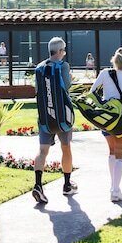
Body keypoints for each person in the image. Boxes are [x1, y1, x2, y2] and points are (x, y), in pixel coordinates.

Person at [90, 47, 122, 202]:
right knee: (120, 154)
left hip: (107, 118)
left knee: (112, 151)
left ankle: (113, 187)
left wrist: (104, 103)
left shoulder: (105, 73)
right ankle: (115, 190)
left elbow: (92, 92)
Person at [32, 36, 77, 203]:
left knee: (42, 151)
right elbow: (67, 86)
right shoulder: (63, 66)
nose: (64, 53)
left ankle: (38, 185)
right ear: (59, 51)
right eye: (63, 50)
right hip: (62, 117)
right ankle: (67, 185)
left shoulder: (39, 68)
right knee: (66, 148)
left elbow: (37, 90)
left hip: (45, 118)